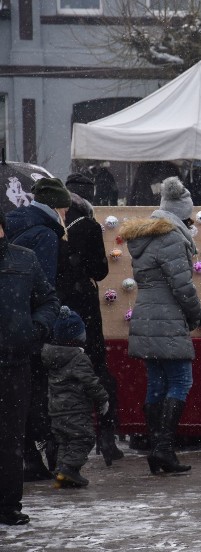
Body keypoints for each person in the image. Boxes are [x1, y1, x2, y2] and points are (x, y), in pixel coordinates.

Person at [119, 176, 201, 475]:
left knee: (156, 382)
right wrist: (196, 315)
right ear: (181, 211)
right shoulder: (171, 238)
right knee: (181, 381)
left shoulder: (146, 238)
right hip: (167, 318)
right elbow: (182, 287)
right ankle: (164, 449)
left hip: (146, 314)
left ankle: (156, 448)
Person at [5, 177, 72, 481]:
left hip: (10, 326)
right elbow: (44, 288)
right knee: (33, 396)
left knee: (16, 401)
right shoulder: (45, 235)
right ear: (57, 207)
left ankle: (24, 459)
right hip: (26, 332)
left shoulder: (16, 222)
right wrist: (39, 327)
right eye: (65, 210)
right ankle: (32, 460)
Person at [0, 208, 60, 525]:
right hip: (14, 358)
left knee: (10, 437)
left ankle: (8, 505)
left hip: (14, 361)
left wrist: (35, 330)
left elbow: (48, 300)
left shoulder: (23, 259)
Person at [58, 174, 123, 464]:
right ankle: (106, 436)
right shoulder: (88, 225)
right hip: (83, 303)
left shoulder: (52, 224)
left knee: (61, 371)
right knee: (97, 367)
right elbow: (99, 271)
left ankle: (60, 442)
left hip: (57, 304)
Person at [42, 307, 110, 488]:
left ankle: (61, 472)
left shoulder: (52, 356)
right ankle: (69, 469)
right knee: (83, 438)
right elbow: (90, 382)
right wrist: (103, 398)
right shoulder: (78, 358)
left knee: (65, 440)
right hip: (76, 409)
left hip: (56, 409)